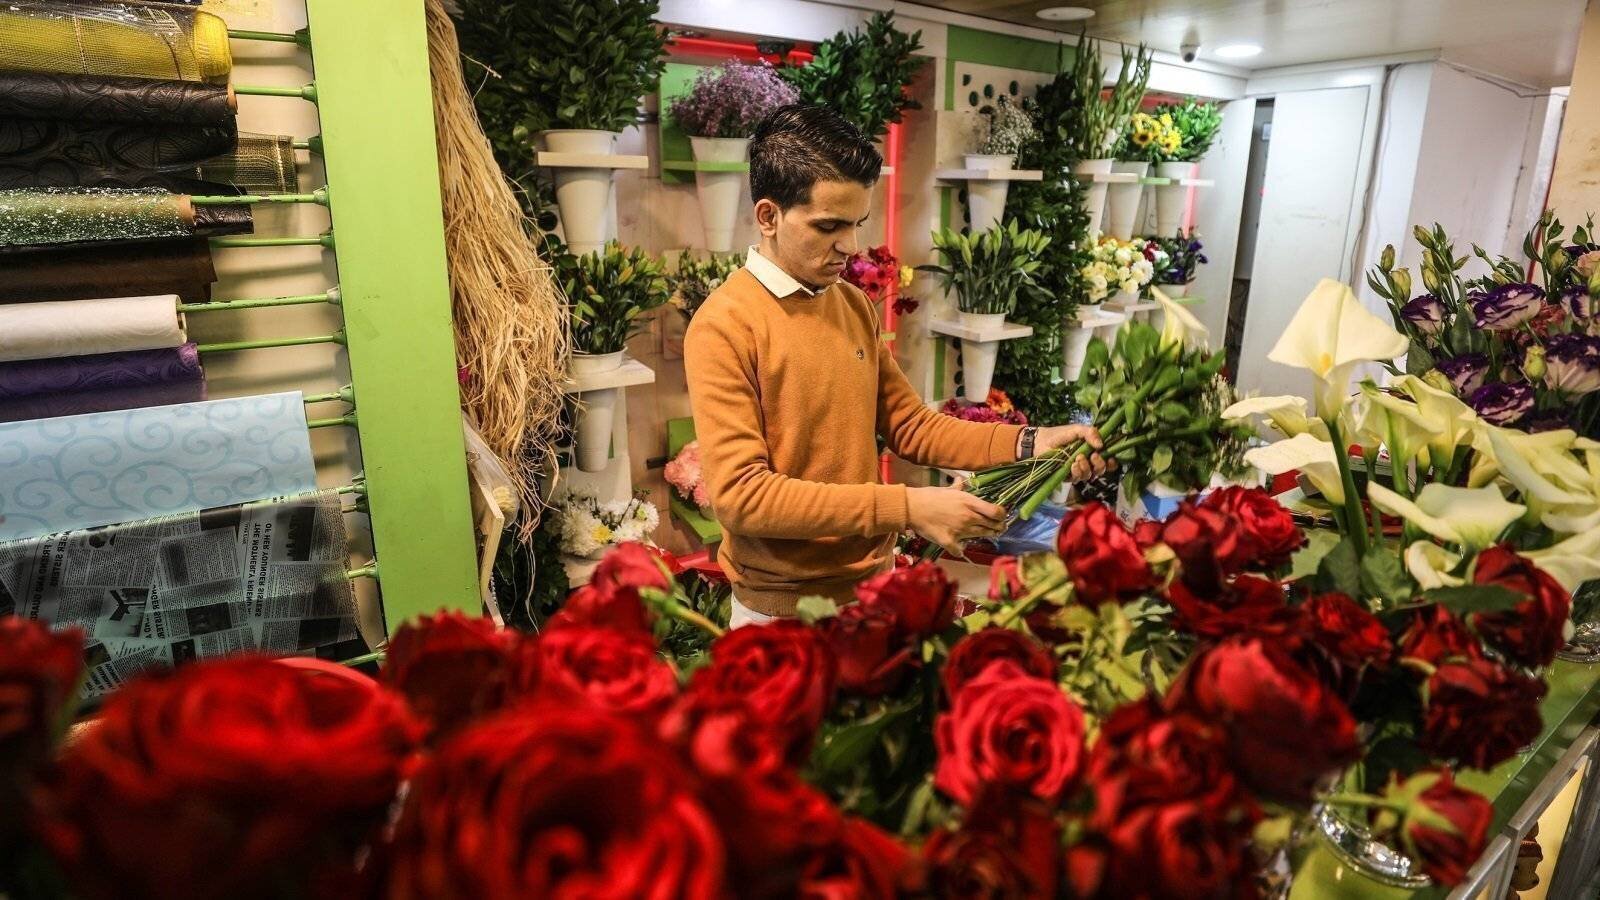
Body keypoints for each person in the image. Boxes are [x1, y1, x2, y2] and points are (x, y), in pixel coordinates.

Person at [685, 105, 1109, 628]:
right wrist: (909, 507)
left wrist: (1030, 443)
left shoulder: (850, 304)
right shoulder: (724, 325)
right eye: (828, 226)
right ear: (768, 216)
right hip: (781, 614)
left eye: (858, 223)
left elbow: (909, 425)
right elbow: (743, 497)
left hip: (872, 588)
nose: (850, 245)